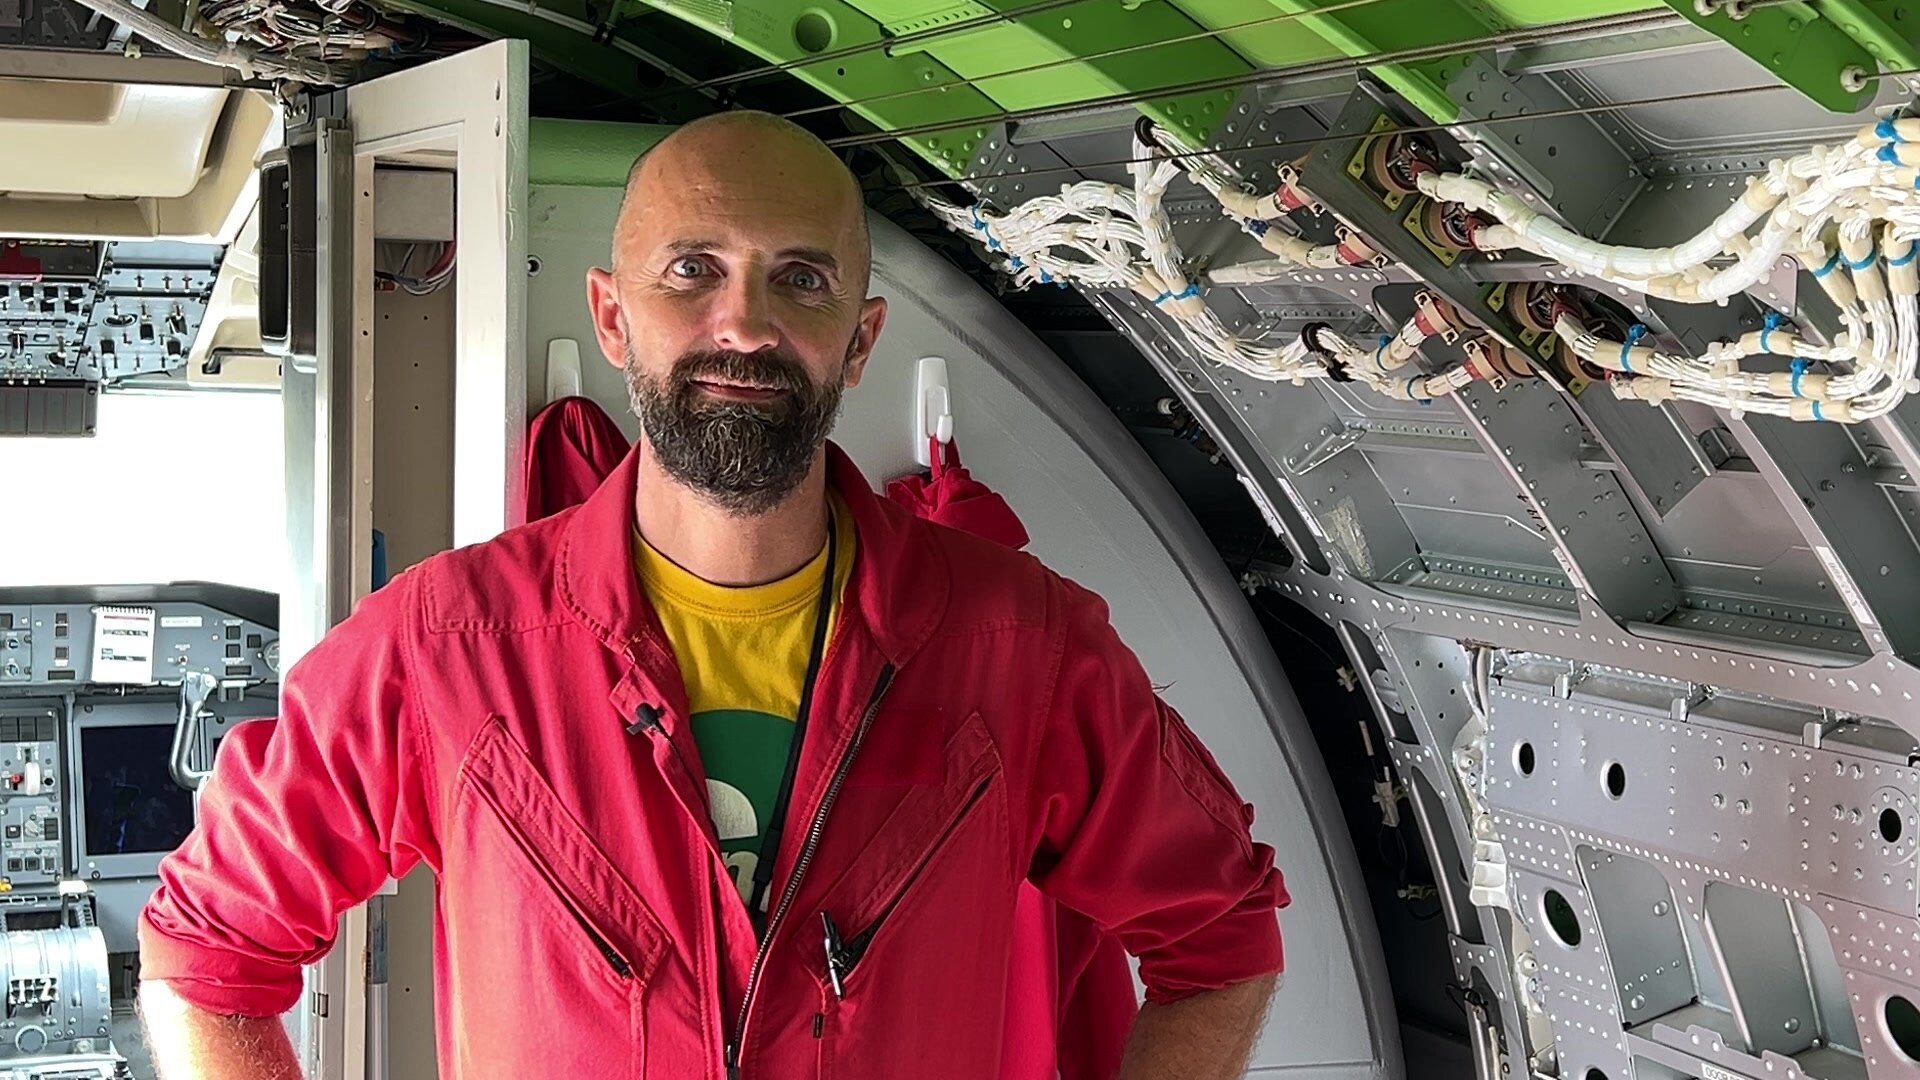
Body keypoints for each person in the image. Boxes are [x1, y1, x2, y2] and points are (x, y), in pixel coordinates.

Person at [136, 109, 1289, 1079]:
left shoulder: (1026, 646)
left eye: (802, 279)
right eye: (693, 270)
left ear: (860, 341)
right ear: (611, 315)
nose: (745, 323)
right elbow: (204, 956)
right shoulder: (445, 648)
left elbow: (1221, 938)